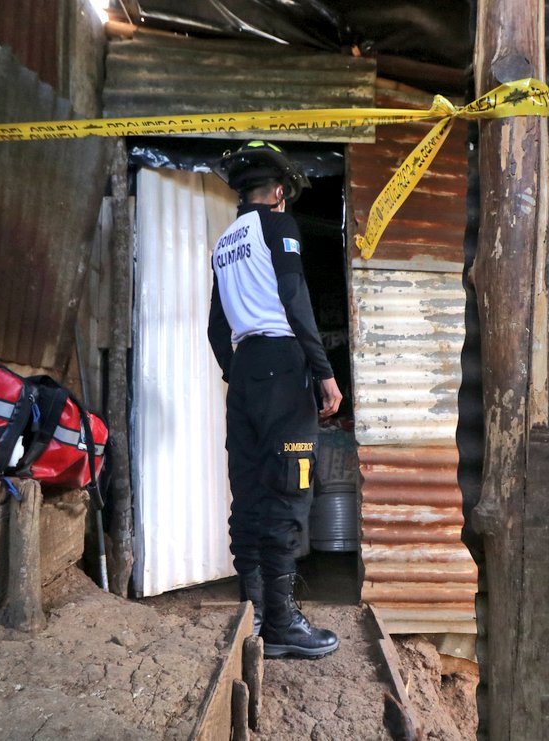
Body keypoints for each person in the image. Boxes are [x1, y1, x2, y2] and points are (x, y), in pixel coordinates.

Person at [208, 140, 342, 659]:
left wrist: (240, 373)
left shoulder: (224, 243)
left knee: (251, 490)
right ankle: (283, 625)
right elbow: (294, 299)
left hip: (244, 372)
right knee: (290, 489)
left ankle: (255, 615)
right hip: (283, 369)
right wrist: (322, 372)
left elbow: (218, 326)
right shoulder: (277, 227)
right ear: (280, 192)